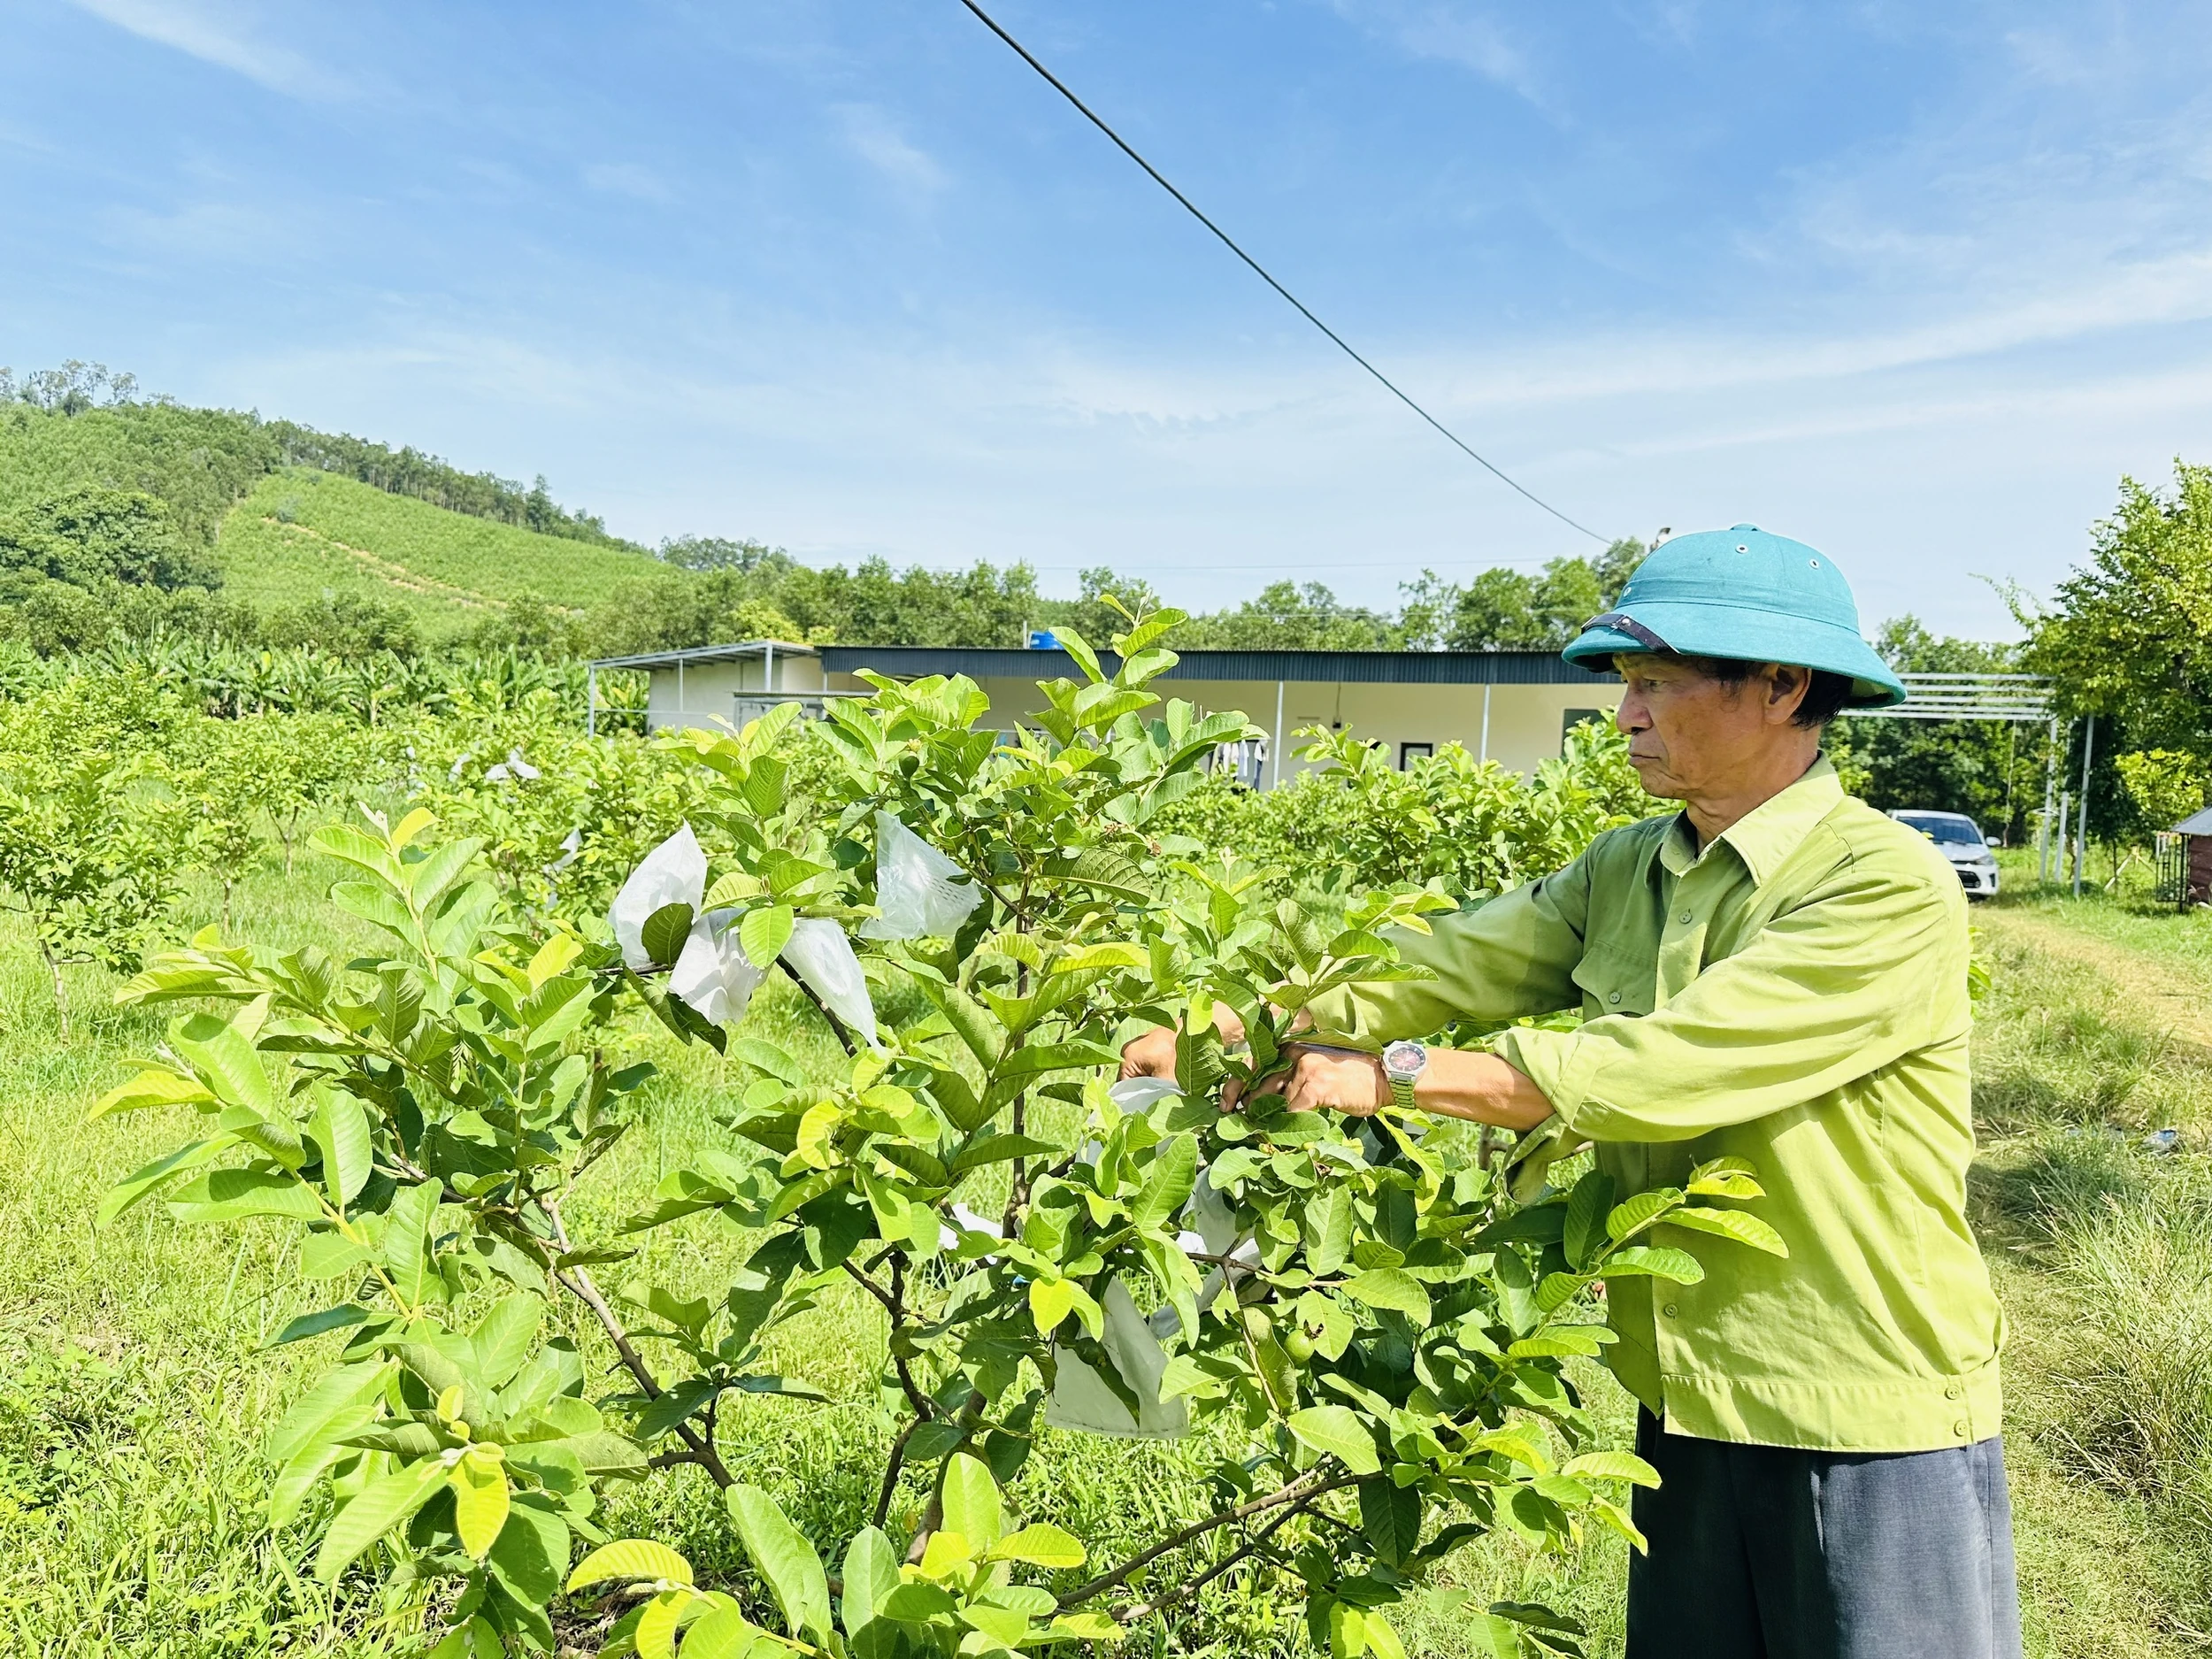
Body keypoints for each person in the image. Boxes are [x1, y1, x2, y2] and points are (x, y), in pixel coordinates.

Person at [1121, 526, 2020, 1659]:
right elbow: (1445, 963)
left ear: (1784, 687)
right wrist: (1234, 1030)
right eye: (1622, 685)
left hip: (1857, 1398)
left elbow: (1664, 1071)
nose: (1625, 713)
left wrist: (1392, 1076)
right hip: (1684, 1392)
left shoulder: (1885, 883)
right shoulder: (1630, 864)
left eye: (1653, 681)